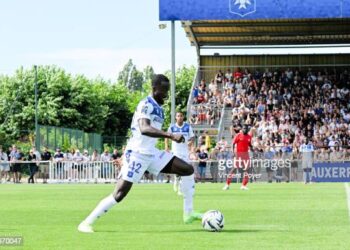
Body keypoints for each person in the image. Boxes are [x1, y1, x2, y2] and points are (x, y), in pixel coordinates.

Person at [78, 74, 199, 233]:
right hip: (137, 154)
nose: (166, 94)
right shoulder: (146, 104)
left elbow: (137, 133)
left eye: (167, 90)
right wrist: (170, 135)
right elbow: (144, 128)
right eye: (163, 90)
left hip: (152, 153)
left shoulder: (159, 108)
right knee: (119, 194)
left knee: (187, 169)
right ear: (154, 89)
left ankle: (188, 214)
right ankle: (86, 223)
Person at [164, 111, 201, 222]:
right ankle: (177, 182)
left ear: (183, 117)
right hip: (175, 152)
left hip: (185, 153)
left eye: (181, 116)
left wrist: (190, 144)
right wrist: (166, 146)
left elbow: (193, 138)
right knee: (178, 171)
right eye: (178, 116)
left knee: (184, 171)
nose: (179, 117)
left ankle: (181, 187)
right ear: (175, 117)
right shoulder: (172, 127)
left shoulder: (187, 127)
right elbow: (166, 137)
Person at [223, 124, 253, 191]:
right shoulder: (238, 135)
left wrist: (252, 148)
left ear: (248, 129)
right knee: (234, 169)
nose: (245, 129)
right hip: (239, 154)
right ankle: (227, 185)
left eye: (246, 128)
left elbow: (249, 144)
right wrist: (233, 152)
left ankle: (243, 185)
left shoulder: (249, 137)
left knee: (247, 170)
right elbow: (233, 144)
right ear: (242, 129)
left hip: (246, 155)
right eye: (244, 128)